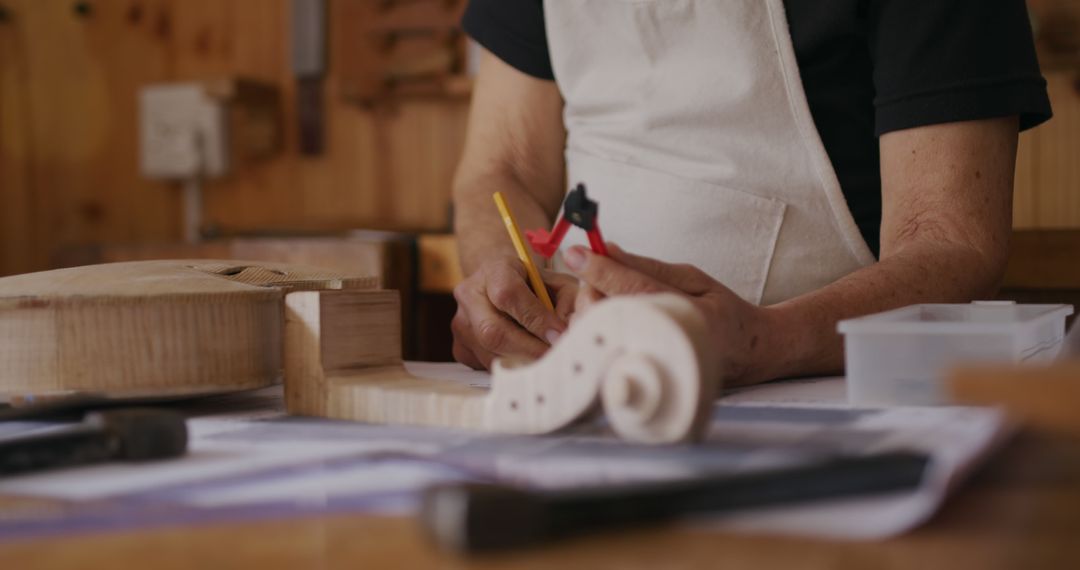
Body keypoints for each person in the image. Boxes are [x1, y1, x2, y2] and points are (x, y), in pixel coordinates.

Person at [450, 0, 1052, 385]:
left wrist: (766, 341)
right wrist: (507, 294)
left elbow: (952, 243)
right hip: (582, 378)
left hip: (828, 392)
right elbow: (500, 170)